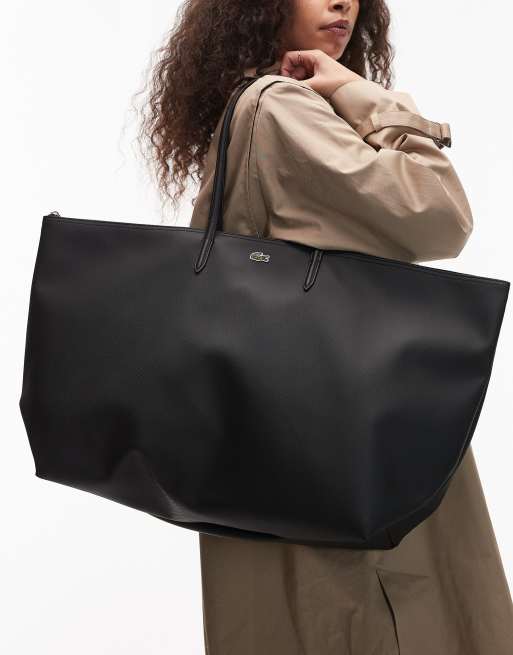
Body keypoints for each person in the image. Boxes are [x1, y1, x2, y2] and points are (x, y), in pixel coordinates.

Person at [136, 1, 513, 652]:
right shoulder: (283, 106)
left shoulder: (248, 108)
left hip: (269, 437)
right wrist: (367, 96)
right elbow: (439, 214)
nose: (341, 1)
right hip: (354, 435)